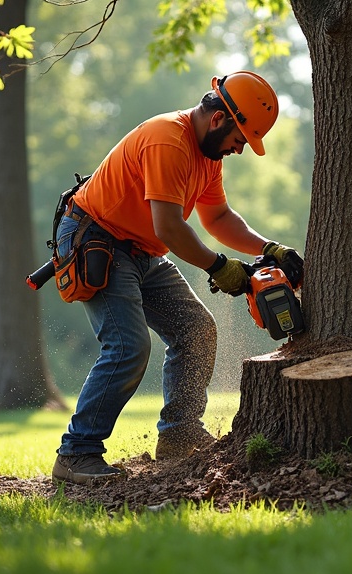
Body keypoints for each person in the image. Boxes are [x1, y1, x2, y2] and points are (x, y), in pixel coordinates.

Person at [52, 71, 304, 485]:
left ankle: (179, 435)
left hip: (144, 250)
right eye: (239, 139)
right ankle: (77, 453)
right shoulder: (168, 139)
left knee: (197, 329)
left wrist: (269, 249)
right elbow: (170, 227)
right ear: (220, 119)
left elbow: (218, 218)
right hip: (99, 239)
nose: (239, 150)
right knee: (128, 347)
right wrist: (220, 268)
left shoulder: (208, 157)